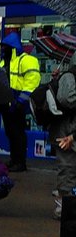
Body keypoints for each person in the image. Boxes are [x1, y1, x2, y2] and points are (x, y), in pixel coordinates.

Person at [0, 32, 40, 172]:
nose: (3, 50)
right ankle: (14, 159)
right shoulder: (4, 62)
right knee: (11, 132)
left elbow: (32, 82)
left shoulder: (27, 60)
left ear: (13, 47)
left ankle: (20, 162)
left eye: (5, 47)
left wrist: (20, 100)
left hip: (19, 102)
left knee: (18, 133)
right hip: (7, 102)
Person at [47, 55, 76, 219]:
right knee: (68, 170)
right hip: (66, 133)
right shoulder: (69, 77)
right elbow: (67, 99)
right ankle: (63, 209)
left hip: (69, 131)